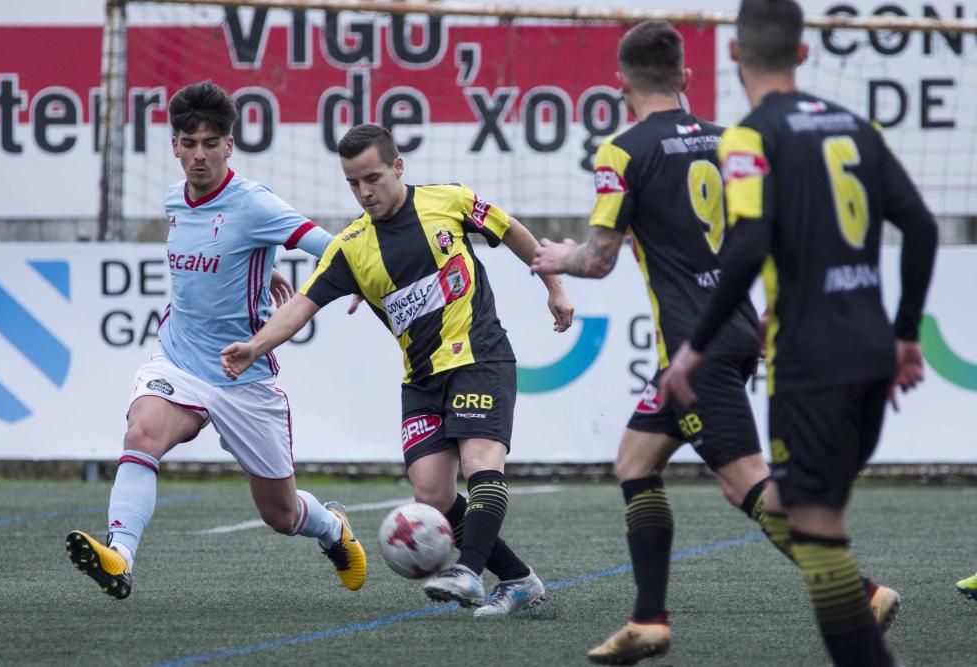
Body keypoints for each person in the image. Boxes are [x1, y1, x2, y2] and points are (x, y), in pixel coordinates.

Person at [531, 20, 897, 664]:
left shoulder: (622, 150)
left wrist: (560, 257)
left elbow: (600, 260)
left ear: (621, 85)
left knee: (746, 483)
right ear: (688, 79)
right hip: (735, 332)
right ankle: (648, 620)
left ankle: (862, 591)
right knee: (635, 461)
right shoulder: (734, 142)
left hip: (694, 348)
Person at [659, 2, 938, 666]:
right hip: (872, 356)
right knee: (805, 514)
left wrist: (692, 350)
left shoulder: (749, 138)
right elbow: (922, 229)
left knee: (817, 544)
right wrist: (905, 335)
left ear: (733, 54)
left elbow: (749, 243)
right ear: (804, 52)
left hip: (812, 365)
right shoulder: (858, 126)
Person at [221, 124, 574, 617]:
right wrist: (254, 347)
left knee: (479, 465)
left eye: (373, 178)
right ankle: (517, 580)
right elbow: (301, 304)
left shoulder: (447, 201)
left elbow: (511, 229)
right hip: (422, 379)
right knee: (431, 492)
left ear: (398, 167)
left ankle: (468, 572)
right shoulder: (351, 246)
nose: (365, 192)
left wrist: (553, 286)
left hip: (481, 356)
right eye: (353, 183)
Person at [65, 80, 366, 599]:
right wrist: (262, 267)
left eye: (210, 143)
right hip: (179, 360)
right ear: (174, 145)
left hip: (243, 377)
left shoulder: (255, 205)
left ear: (230, 145)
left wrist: (359, 278)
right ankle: (120, 556)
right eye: (189, 142)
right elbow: (216, 254)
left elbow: (331, 247)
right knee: (141, 435)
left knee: (280, 512)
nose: (199, 155)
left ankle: (333, 530)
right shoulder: (171, 198)